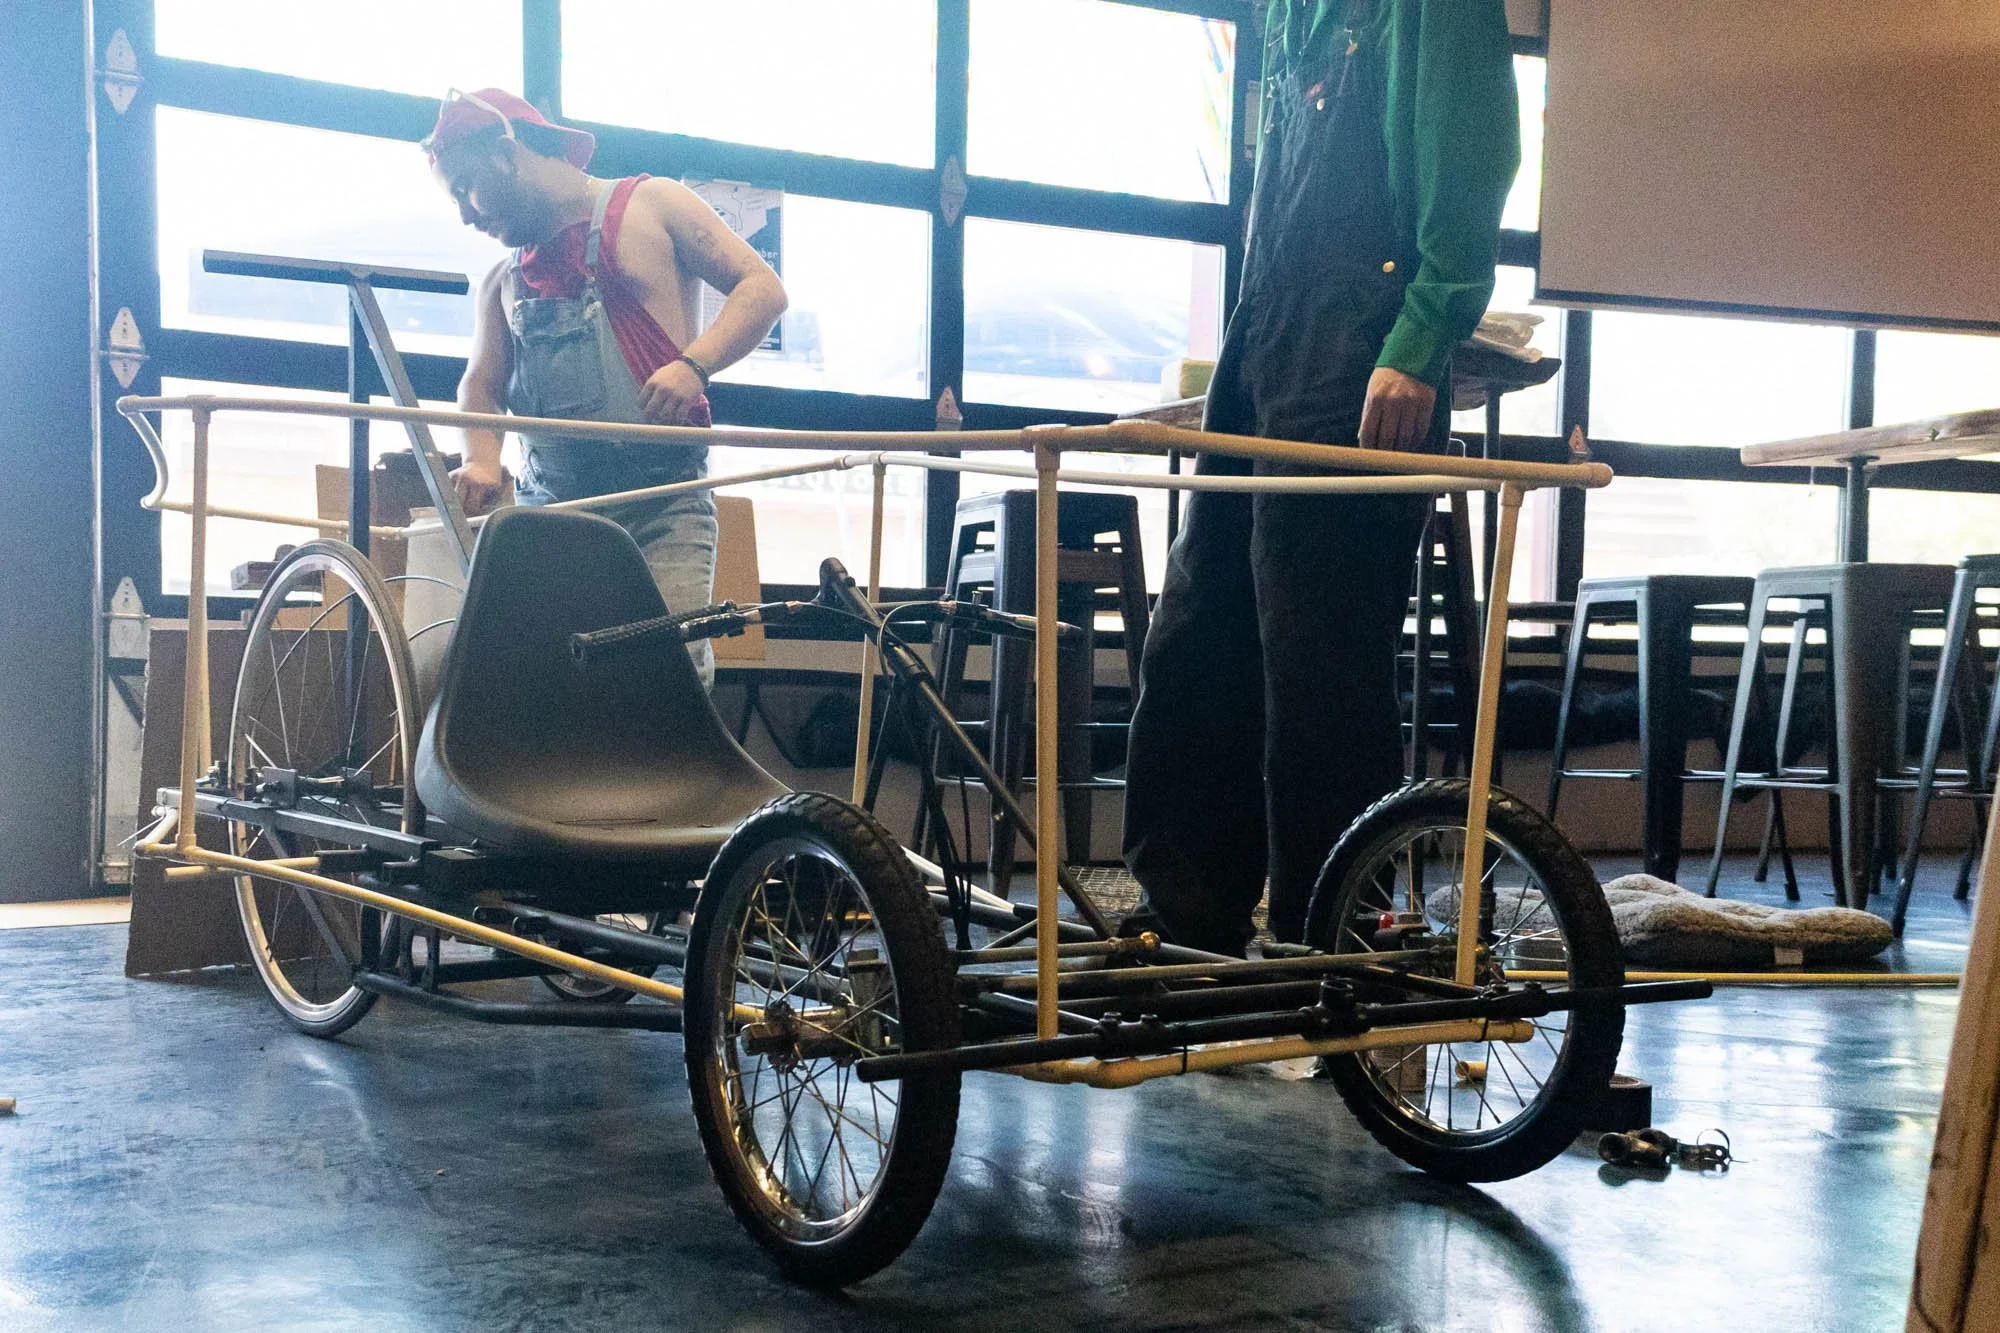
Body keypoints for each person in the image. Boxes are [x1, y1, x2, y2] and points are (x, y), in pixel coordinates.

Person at [1119, 1, 1520, 955]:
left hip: (1365, 335)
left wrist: (1421, 341)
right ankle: (1187, 916)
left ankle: (1328, 935)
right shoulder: (1290, 10)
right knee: (1199, 628)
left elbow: (1474, 162)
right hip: (1265, 328)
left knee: (1322, 654)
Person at [423, 88, 787, 687]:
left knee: (667, 677)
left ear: (508, 154)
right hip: (557, 515)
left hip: (663, 504)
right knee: (554, 681)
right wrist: (482, 460)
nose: (465, 212)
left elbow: (761, 288)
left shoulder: (655, 204)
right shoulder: (503, 281)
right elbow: (480, 385)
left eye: (466, 186)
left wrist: (694, 365)